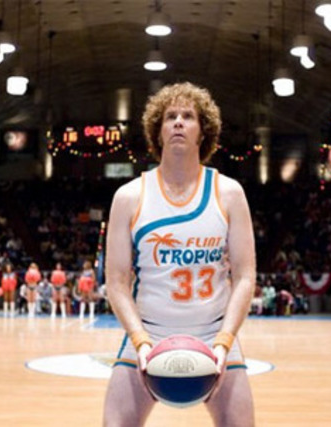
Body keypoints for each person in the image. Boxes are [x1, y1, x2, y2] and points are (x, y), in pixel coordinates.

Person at [103, 82, 256, 426]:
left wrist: (224, 342)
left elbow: (246, 276)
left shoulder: (229, 193)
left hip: (214, 336)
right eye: (170, 116)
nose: (178, 122)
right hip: (149, 335)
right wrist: (140, 342)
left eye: (188, 116)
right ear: (157, 131)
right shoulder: (128, 197)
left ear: (203, 131)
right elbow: (116, 283)